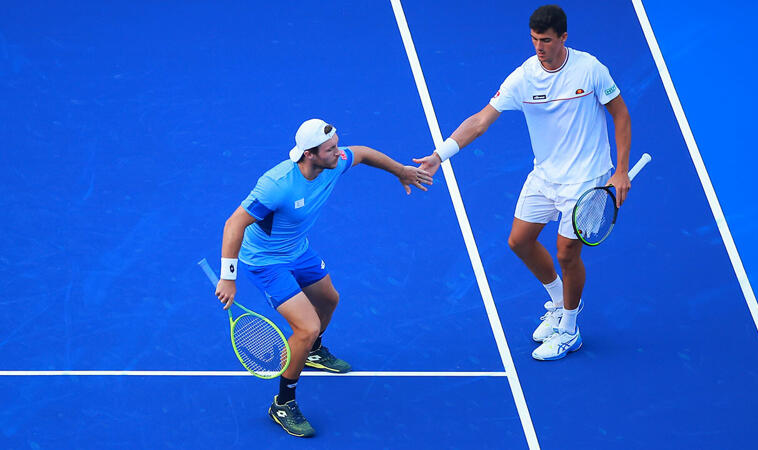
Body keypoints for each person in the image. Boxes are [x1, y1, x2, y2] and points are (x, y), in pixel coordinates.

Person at [414, 5, 631, 361]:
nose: (539, 47)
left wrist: (620, 171)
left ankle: (570, 329)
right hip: (545, 176)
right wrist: (440, 155)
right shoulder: (523, 78)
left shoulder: (590, 69)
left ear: (563, 37)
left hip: (585, 180)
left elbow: (620, 114)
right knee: (519, 241)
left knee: (566, 252)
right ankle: (561, 301)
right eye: (534, 40)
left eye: (545, 40)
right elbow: (481, 121)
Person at [215, 118, 432, 437]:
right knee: (307, 325)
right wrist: (228, 278)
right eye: (330, 149)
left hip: (297, 250)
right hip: (266, 261)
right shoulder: (277, 185)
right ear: (309, 155)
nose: (339, 153)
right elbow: (234, 224)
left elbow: (363, 153)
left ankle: (312, 351)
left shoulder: (335, 162)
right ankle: (283, 403)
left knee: (329, 300)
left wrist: (401, 170)